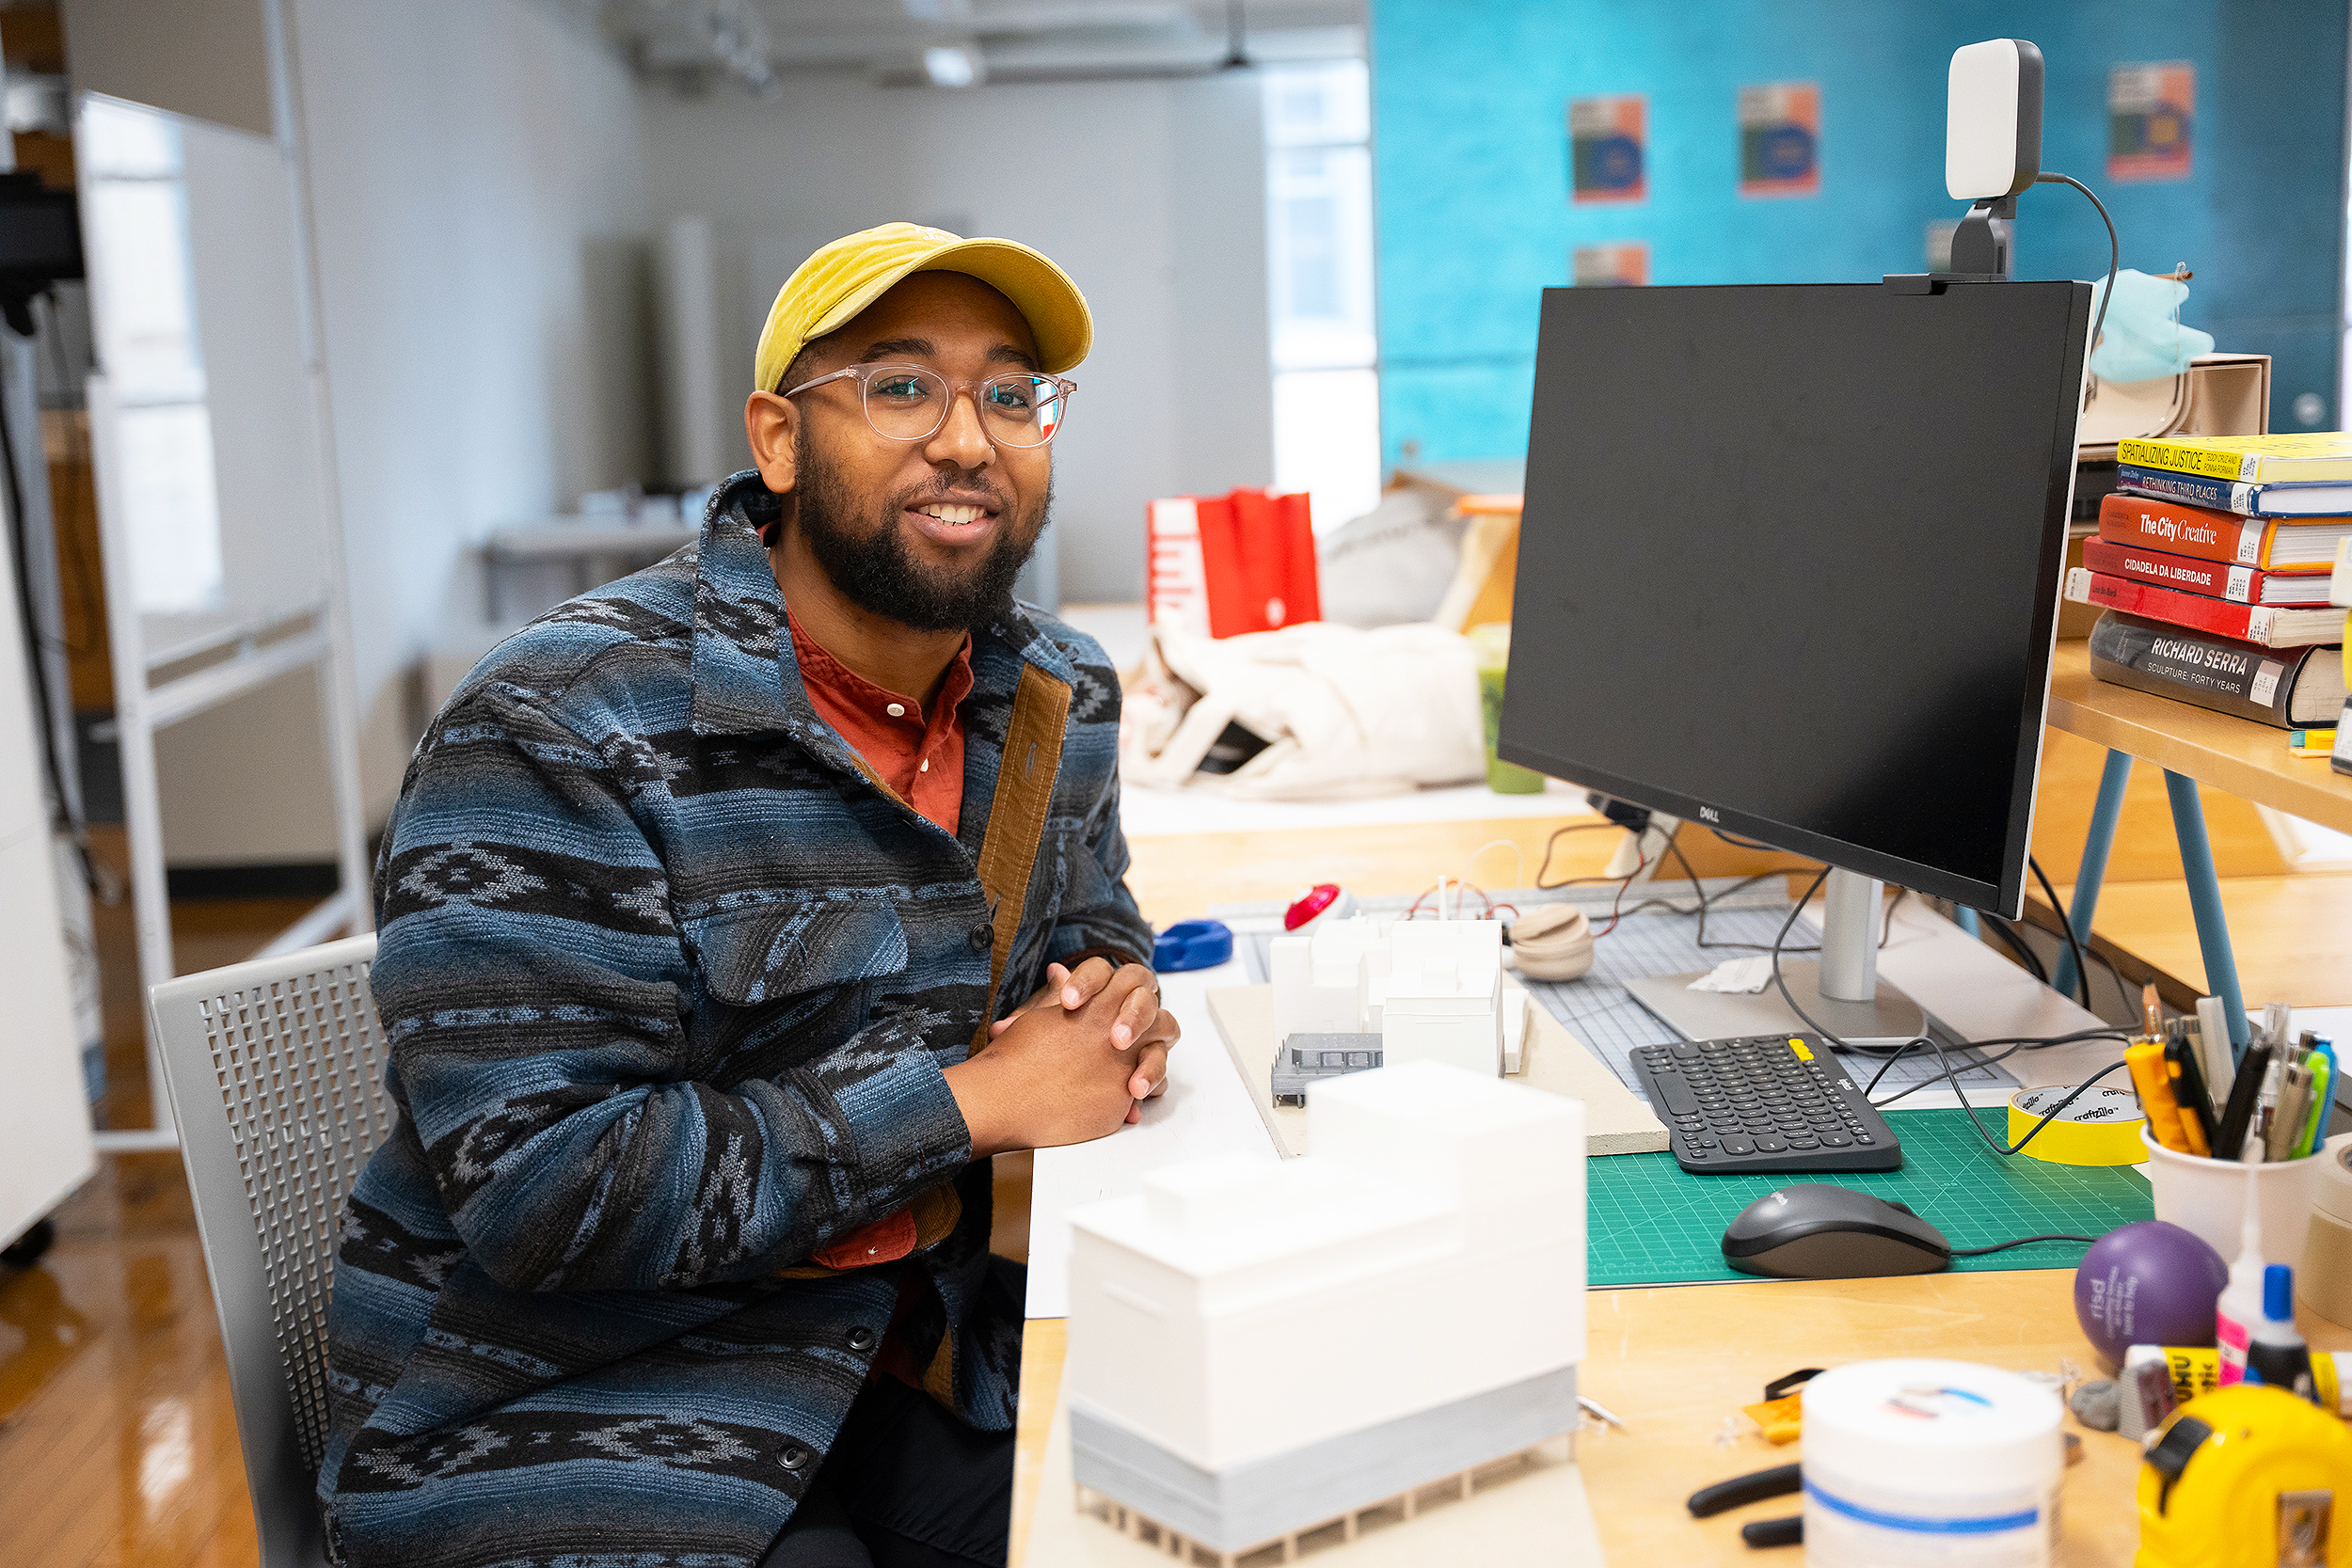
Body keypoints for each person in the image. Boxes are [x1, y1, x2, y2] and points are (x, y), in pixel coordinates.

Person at [317, 223, 1177, 1568]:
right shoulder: (560, 725)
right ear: (778, 441)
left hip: (921, 1352)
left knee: (1198, 1508)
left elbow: (1085, 919)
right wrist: (977, 1104)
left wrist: (1111, 998)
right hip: (586, 1414)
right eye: (901, 387)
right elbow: (547, 1192)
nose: (967, 439)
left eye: (1010, 394)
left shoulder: (1056, 690)